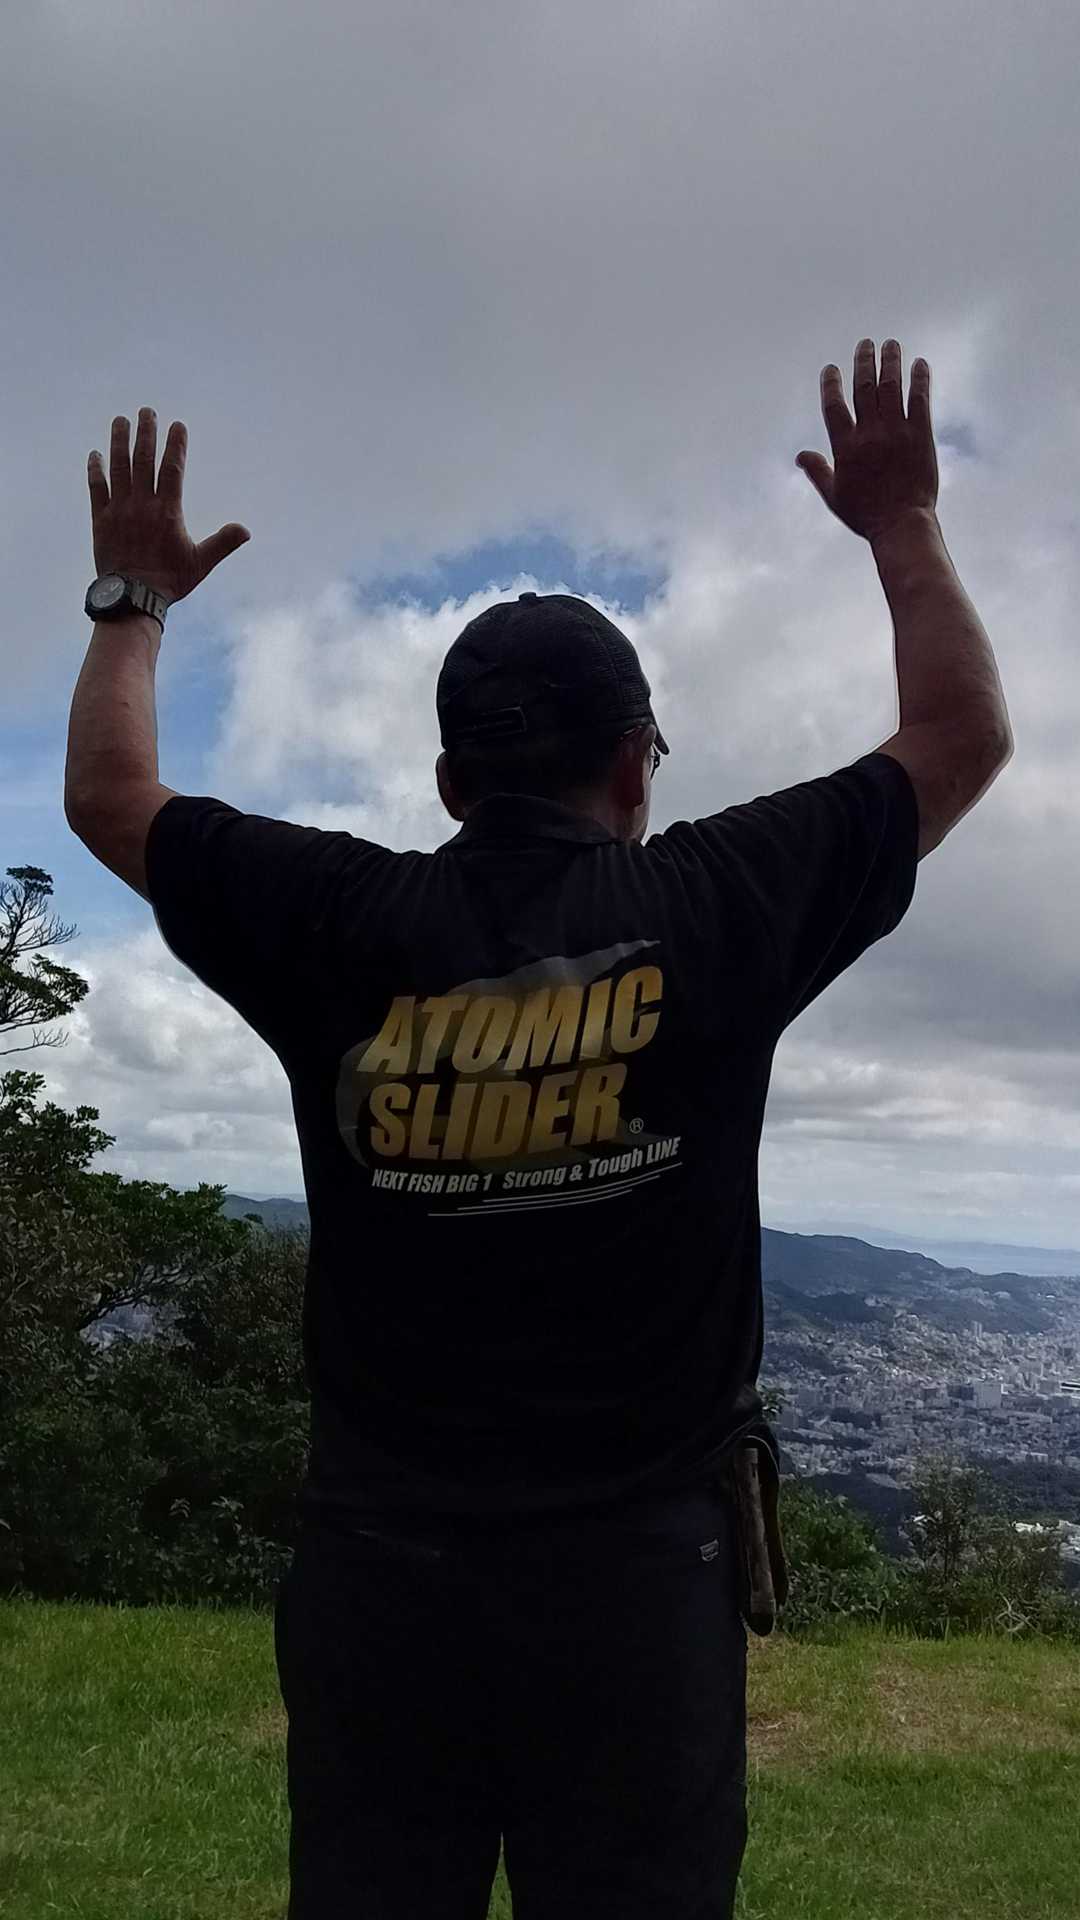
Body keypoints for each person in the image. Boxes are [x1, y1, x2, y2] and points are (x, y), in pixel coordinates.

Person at [66, 338, 1013, 1917]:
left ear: (449, 780)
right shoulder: (716, 903)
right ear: (637, 762)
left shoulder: (337, 918)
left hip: (378, 1574)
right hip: (641, 1585)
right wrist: (904, 524)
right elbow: (961, 738)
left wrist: (132, 602)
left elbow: (110, 798)